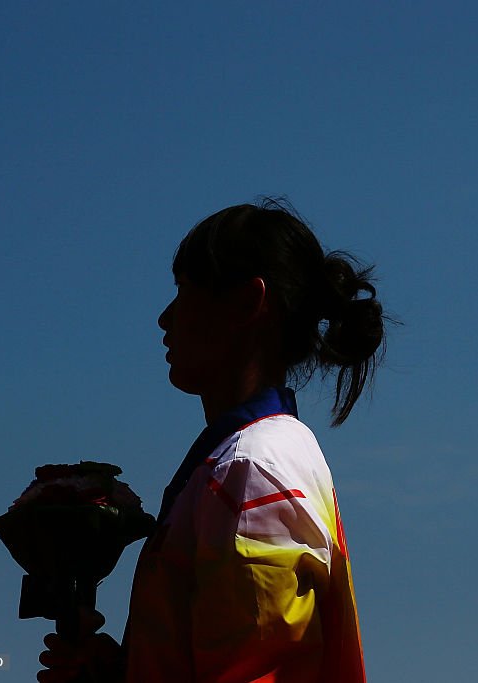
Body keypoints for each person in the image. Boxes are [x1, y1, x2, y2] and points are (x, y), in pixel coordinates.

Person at [38, 199, 385, 682]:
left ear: (248, 303)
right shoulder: (247, 459)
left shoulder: (251, 468)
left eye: (183, 291)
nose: (164, 317)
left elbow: (255, 673)